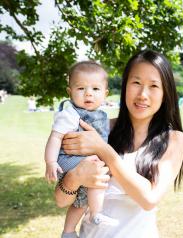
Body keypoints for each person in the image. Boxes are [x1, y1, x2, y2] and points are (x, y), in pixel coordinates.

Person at [55, 50, 183, 238]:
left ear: (166, 93)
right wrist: (75, 177)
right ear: (125, 86)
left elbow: (149, 199)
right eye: (136, 83)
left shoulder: (173, 139)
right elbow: (61, 200)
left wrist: (103, 150)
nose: (143, 94)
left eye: (153, 86)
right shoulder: (99, 128)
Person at [44, 61, 118, 238]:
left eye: (95, 89)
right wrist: (50, 162)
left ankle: (69, 231)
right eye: (81, 88)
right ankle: (96, 213)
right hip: (68, 159)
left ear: (105, 94)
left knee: (81, 201)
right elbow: (55, 137)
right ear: (70, 92)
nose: (88, 94)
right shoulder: (70, 114)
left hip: (84, 160)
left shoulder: (102, 115)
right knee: (99, 171)